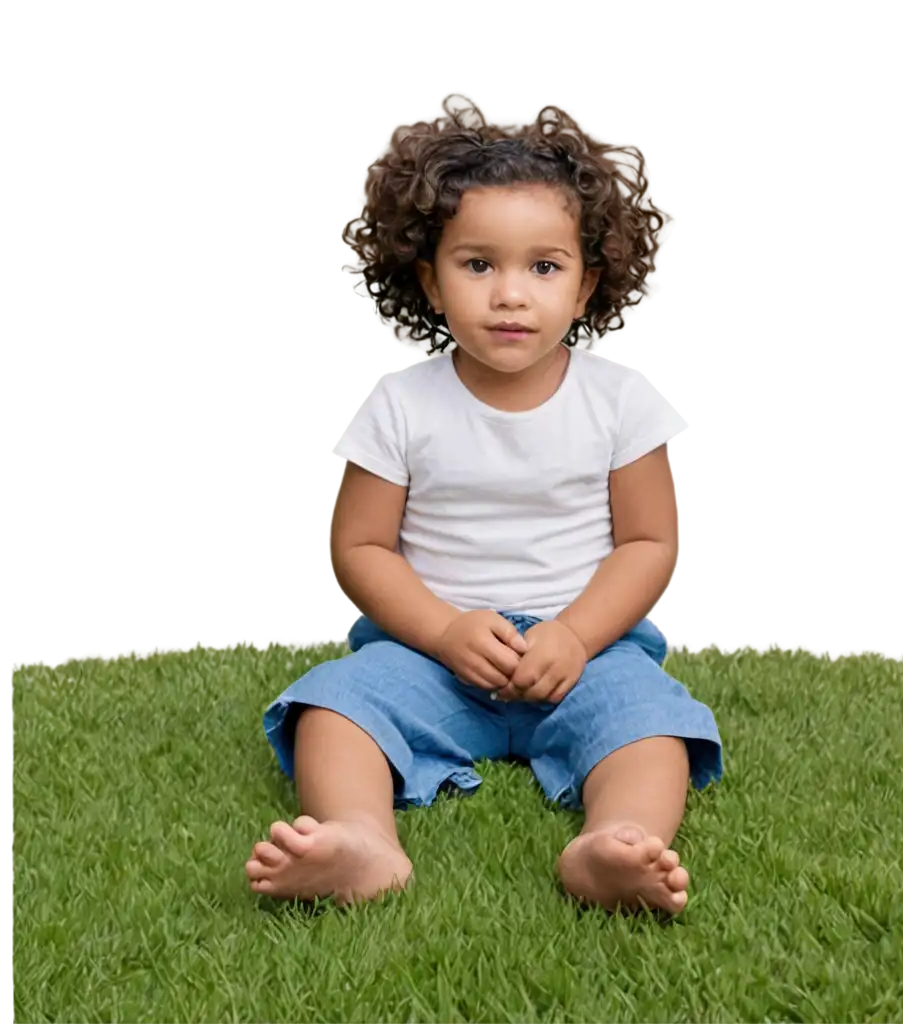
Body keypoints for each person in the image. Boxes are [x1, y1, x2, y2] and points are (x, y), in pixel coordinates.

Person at [245, 98, 723, 915]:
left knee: (654, 724)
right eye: (477, 265)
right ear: (429, 281)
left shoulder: (622, 401)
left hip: (587, 651)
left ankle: (615, 844)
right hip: (430, 651)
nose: (510, 294)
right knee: (332, 703)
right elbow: (362, 548)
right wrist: (442, 630)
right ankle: (361, 840)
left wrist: (575, 634)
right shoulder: (397, 403)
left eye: (544, 267)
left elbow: (647, 542)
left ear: (586, 286)